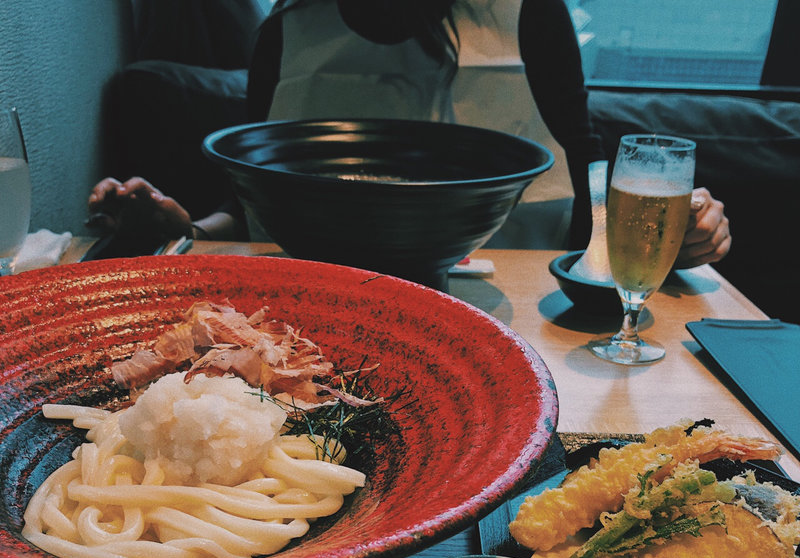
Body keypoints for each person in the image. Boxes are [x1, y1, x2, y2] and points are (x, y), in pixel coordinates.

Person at [88, 0, 731, 269]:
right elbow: (256, 207)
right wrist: (187, 231)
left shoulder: (528, 15)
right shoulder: (286, 32)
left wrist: (681, 235)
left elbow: (580, 179)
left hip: (504, 305)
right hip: (313, 305)